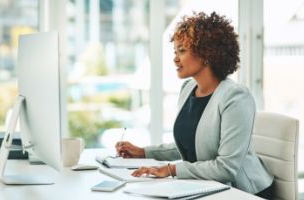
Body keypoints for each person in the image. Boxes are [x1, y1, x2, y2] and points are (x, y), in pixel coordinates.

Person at [115, 12, 274, 199]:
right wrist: (143, 152)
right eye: (175, 51)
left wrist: (170, 169)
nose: (175, 59)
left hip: (243, 192)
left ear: (206, 54)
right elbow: (192, 144)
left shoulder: (236, 97)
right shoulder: (188, 88)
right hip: (205, 187)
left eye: (182, 51)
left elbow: (226, 168)